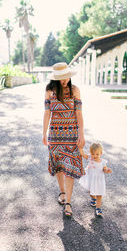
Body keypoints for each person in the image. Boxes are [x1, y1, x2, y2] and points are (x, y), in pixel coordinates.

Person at [42, 62, 85, 217]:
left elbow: (79, 113)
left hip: (72, 135)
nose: (64, 80)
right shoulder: (49, 91)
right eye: (60, 78)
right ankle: (62, 192)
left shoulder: (75, 90)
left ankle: (68, 203)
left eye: (66, 77)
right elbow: (47, 113)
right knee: (59, 166)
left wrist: (82, 133)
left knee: (70, 169)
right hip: (55, 135)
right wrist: (44, 133)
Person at [79, 143, 112, 217]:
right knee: (91, 192)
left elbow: (105, 169)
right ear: (91, 153)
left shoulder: (103, 162)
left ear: (101, 153)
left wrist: (107, 170)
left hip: (99, 180)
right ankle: (93, 199)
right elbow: (83, 155)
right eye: (93, 154)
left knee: (99, 194)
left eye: (97, 154)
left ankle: (98, 208)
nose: (95, 156)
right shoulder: (90, 158)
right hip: (91, 179)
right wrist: (80, 149)